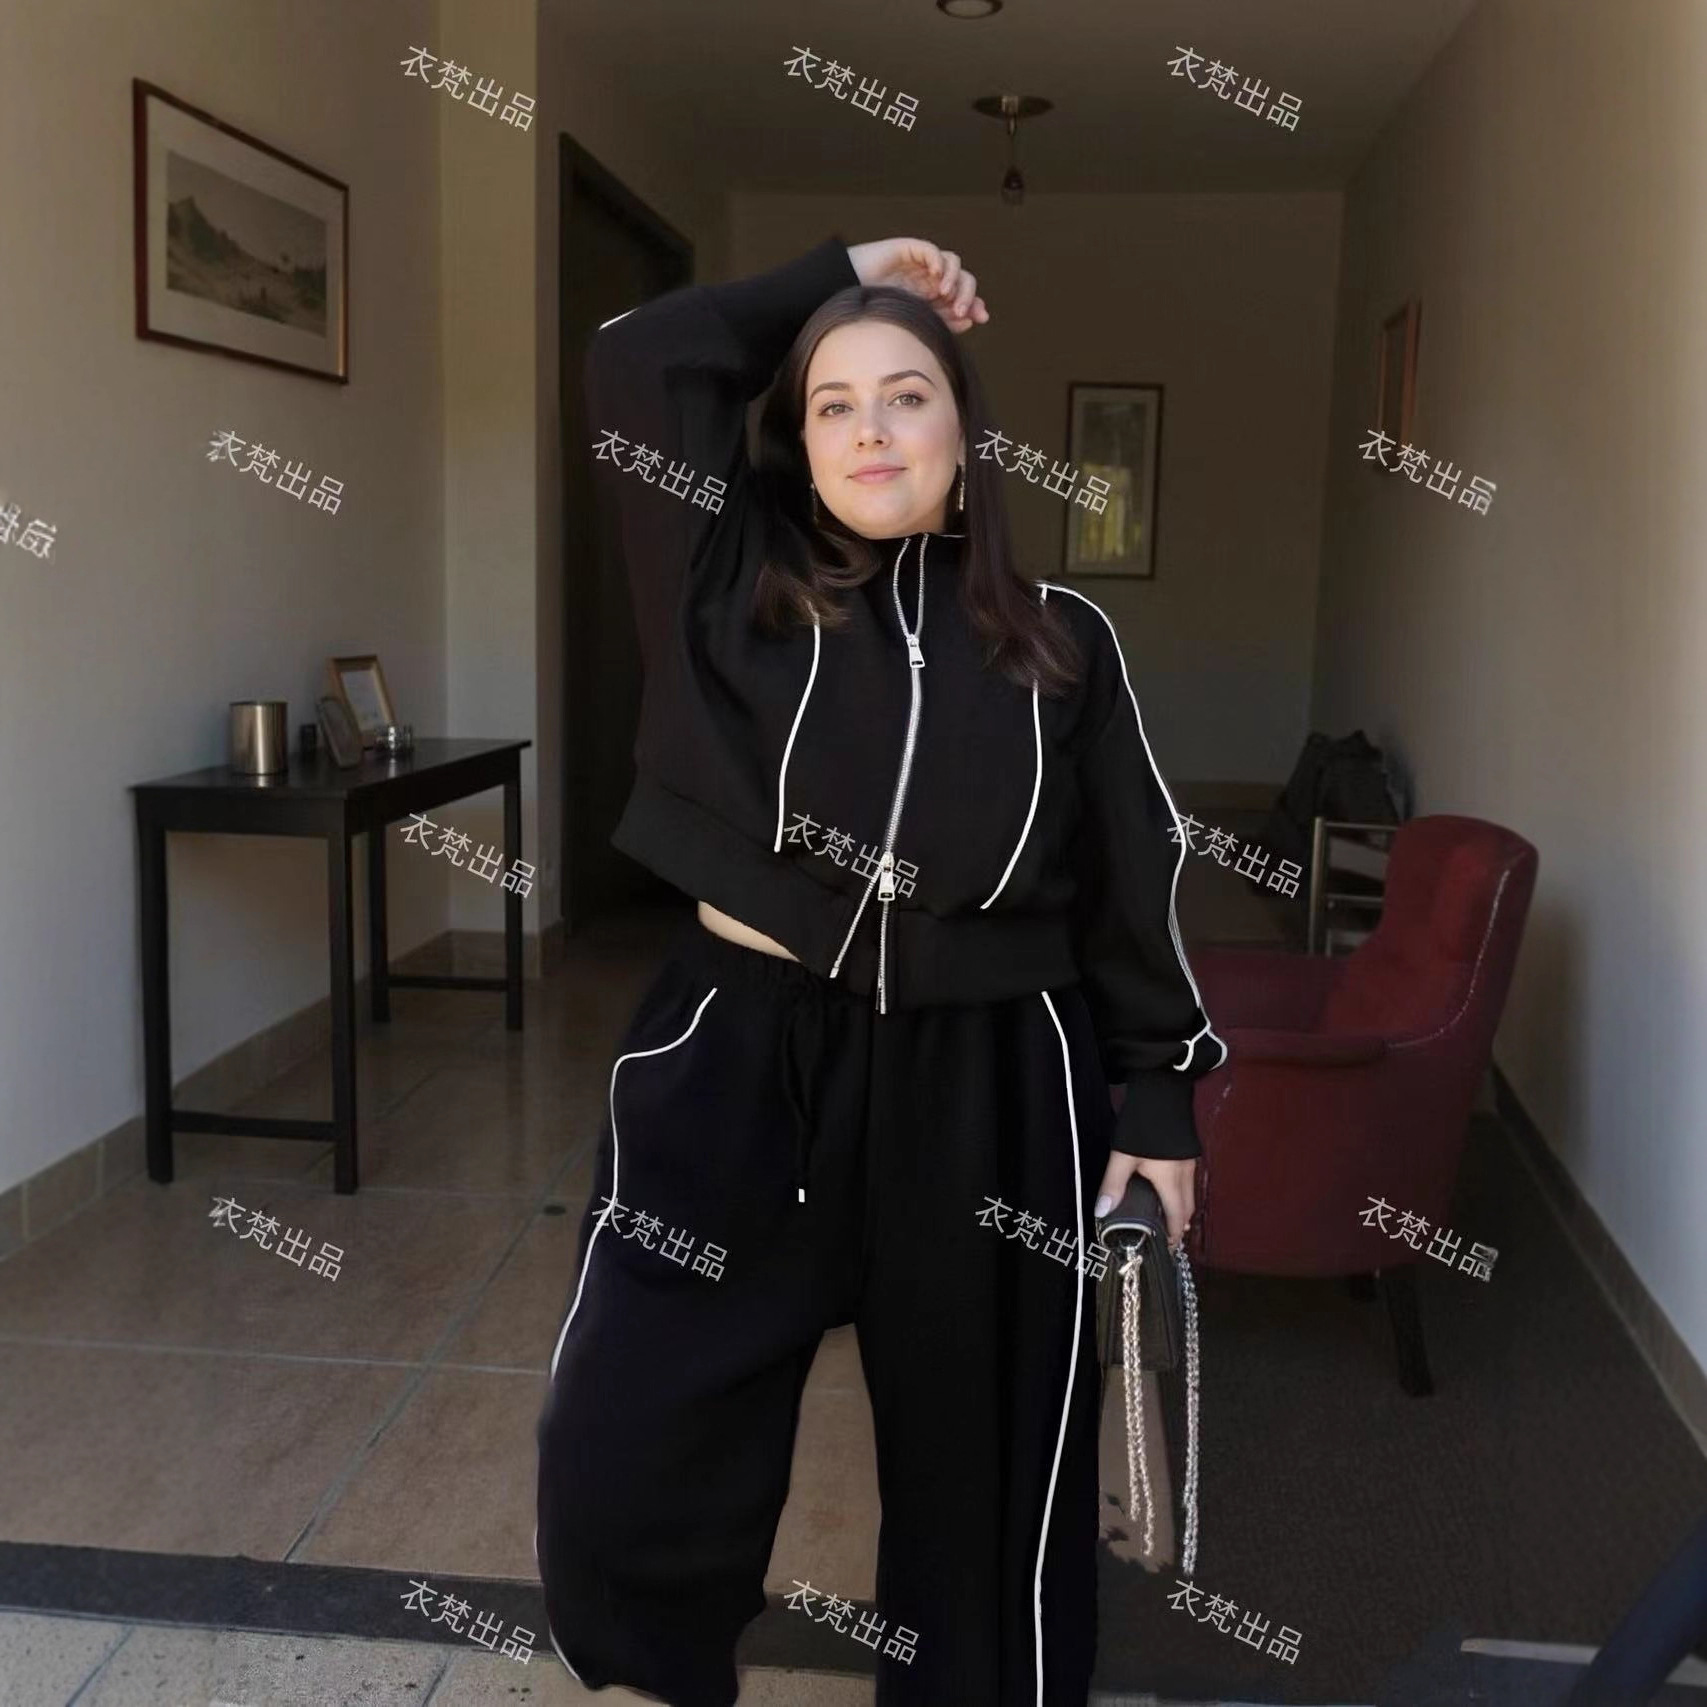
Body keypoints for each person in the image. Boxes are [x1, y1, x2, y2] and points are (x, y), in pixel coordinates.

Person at [535, 234, 1226, 1707]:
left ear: (967, 442)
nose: (870, 429)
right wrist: (849, 270)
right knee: (630, 1441)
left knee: (989, 1473)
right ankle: (657, 1672)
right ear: (795, 444)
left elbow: (1128, 876)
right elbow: (635, 359)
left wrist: (1160, 1096)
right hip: (739, 1055)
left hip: (990, 1078)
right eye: (832, 404)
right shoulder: (721, 576)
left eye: (908, 396)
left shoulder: (1066, 643)